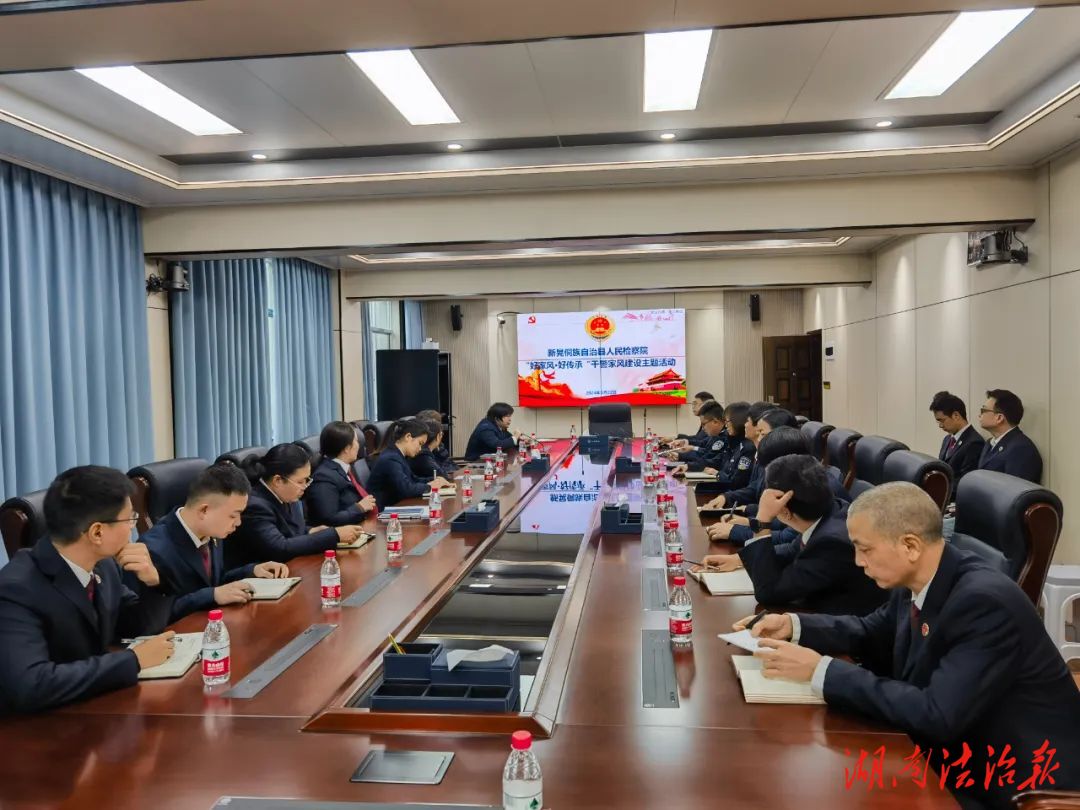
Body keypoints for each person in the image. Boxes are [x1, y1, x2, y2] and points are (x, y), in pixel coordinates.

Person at [735, 482, 1080, 810]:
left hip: (1009, 780)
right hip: (953, 751)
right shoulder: (921, 577)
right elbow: (870, 631)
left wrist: (820, 670)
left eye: (865, 549)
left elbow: (937, 714)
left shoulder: (984, 603)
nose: (857, 561)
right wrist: (794, 625)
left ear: (911, 545)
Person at [0, 466, 175, 713]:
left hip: (89, 709)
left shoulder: (103, 566)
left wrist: (155, 582)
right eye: (129, 519)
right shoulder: (16, 589)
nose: (133, 528)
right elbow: (31, 684)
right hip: (33, 732)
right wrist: (133, 661)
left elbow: (136, 625)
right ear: (97, 532)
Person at [698, 455, 886, 616]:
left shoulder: (831, 542)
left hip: (846, 642)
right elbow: (792, 549)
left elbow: (768, 593)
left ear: (784, 511)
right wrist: (737, 559)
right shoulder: (832, 508)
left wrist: (763, 522)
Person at [140, 464, 291, 622]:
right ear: (204, 510)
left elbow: (215, 580)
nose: (238, 523)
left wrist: (252, 570)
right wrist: (212, 595)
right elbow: (157, 614)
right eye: (233, 516)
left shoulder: (211, 529)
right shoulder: (155, 549)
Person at [226, 444, 365, 568]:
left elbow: (290, 530)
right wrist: (334, 535)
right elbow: (280, 547)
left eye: (307, 480)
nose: (305, 486)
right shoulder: (255, 506)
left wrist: (311, 531)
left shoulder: (286, 494)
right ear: (278, 480)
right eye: (301, 481)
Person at [368, 418, 452, 508]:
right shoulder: (391, 459)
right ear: (408, 437)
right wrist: (430, 486)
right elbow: (406, 489)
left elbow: (413, 479)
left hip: (396, 505)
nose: (420, 449)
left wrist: (435, 480)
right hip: (383, 512)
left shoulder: (398, 455)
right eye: (420, 443)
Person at [306, 421, 378, 527]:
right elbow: (329, 519)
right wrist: (359, 508)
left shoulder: (345, 468)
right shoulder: (324, 477)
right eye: (357, 442)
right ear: (347, 449)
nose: (359, 446)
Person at [673, 402, 755, 490]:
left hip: (730, 494)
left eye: (727, 421)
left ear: (738, 421)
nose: (726, 425)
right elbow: (716, 460)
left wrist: (717, 473)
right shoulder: (733, 441)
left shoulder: (747, 447)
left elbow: (737, 482)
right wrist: (689, 466)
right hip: (724, 489)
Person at [977, 389, 1043, 483]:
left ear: (999, 418)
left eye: (983, 410)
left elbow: (1015, 492)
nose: (979, 415)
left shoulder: (1021, 449)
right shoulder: (990, 443)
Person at [928, 391, 984, 487]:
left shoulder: (974, 443)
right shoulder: (947, 439)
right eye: (938, 422)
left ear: (956, 416)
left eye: (942, 420)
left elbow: (965, 480)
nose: (940, 425)